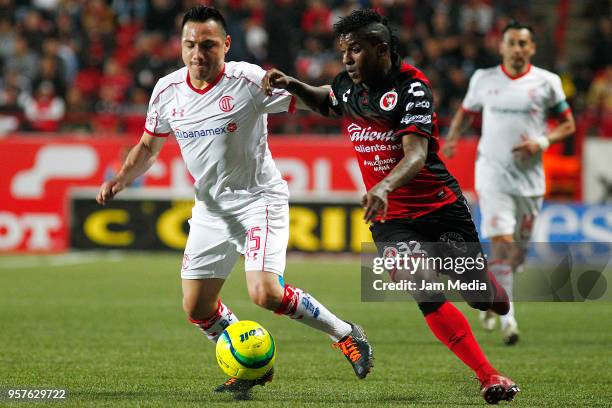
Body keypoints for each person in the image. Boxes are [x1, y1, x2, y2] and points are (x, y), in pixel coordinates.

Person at [96, 6, 373, 398]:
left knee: (265, 293)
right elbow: (148, 146)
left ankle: (346, 333)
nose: (198, 54)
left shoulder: (248, 80)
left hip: (258, 200)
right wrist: (121, 179)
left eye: (208, 45)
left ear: (225, 44)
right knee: (198, 309)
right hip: (211, 209)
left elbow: (322, 102)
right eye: (190, 45)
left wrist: (314, 88)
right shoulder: (167, 90)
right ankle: (250, 365)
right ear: (180, 46)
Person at [262, 9, 519, 405]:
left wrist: (382, 185)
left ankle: (495, 294)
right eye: (343, 51)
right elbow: (328, 103)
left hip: (439, 207)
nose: (346, 59)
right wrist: (292, 83)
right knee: (423, 288)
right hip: (390, 219)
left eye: (355, 51)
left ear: (381, 49)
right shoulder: (348, 86)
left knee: (481, 295)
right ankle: (487, 375)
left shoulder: (412, 87)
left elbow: (415, 155)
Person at [443, 21, 576, 345]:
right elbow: (465, 112)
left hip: (529, 181)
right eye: (512, 43)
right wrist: (451, 139)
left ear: (532, 48)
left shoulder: (547, 82)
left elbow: (568, 124)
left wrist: (542, 142)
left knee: (516, 255)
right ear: (501, 47)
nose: (517, 49)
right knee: (502, 243)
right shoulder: (483, 79)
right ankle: (509, 319)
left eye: (523, 44)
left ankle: (493, 296)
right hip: (492, 175)